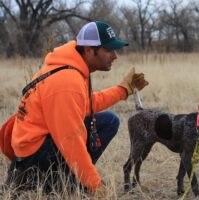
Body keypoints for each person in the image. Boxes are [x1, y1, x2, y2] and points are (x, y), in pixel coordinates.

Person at [5, 21, 148, 196]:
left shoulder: (72, 68)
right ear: (89, 49)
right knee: (81, 138)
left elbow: (86, 104)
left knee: (109, 121)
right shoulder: (67, 81)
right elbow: (71, 141)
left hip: (35, 145)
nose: (115, 56)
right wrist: (96, 186)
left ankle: (68, 179)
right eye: (109, 50)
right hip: (33, 156)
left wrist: (123, 90)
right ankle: (56, 182)